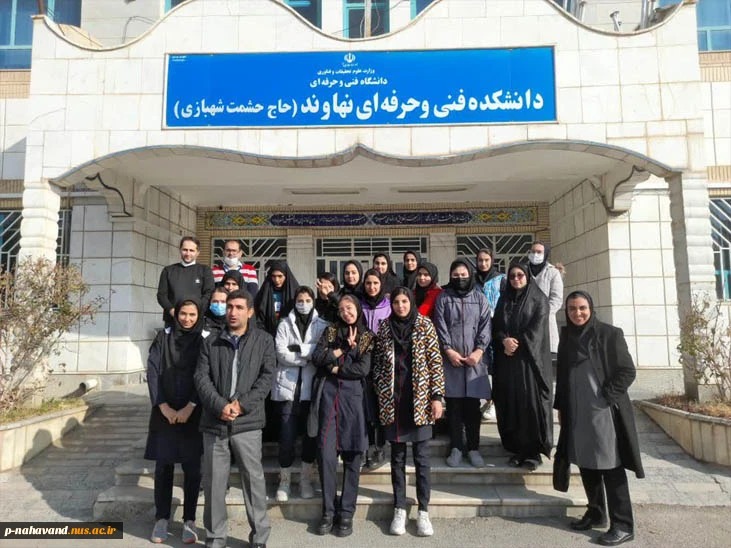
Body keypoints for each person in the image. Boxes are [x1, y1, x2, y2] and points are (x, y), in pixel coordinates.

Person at [554, 291, 644, 547]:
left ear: (591, 308)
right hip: (576, 411)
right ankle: (596, 513)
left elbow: (627, 371)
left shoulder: (609, 334)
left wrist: (605, 396)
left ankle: (623, 525)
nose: (577, 313)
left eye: (582, 308)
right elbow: (562, 375)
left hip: (603, 412)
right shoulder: (567, 336)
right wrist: (561, 406)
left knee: (610, 465)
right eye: (572, 309)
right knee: (586, 462)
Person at [194, 289, 275, 548]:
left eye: (239, 307)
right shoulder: (211, 341)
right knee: (214, 484)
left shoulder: (264, 340)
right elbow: (201, 377)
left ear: (250, 312)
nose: (232, 312)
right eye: (229, 307)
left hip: (247, 423)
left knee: (253, 482)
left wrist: (241, 405)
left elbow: (267, 378)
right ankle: (215, 537)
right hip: (215, 422)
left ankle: (259, 537)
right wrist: (220, 405)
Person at [373, 288, 445, 537]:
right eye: (396, 302)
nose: (401, 306)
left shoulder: (425, 324)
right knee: (397, 459)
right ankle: (400, 509)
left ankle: (423, 511)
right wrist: (381, 387)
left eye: (404, 301)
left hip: (420, 402)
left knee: (422, 460)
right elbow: (378, 363)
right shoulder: (384, 327)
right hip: (394, 402)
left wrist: (437, 397)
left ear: (411, 302)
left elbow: (435, 362)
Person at [311, 295, 374, 537]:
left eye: (350, 308)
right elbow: (318, 358)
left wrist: (336, 367)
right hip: (328, 399)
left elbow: (362, 369)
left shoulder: (367, 336)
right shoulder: (330, 332)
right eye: (342, 309)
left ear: (357, 309)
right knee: (326, 457)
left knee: (352, 457)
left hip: (354, 401)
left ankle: (346, 512)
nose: (346, 312)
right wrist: (342, 349)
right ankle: (328, 511)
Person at [146, 299, 208, 545]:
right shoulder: (163, 338)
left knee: (193, 469)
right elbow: (152, 371)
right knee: (163, 467)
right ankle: (161, 518)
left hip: (192, 414)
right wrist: (163, 406)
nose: (187, 319)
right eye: (183, 313)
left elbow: (204, 374)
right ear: (176, 313)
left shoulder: (203, 340)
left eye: (192, 315)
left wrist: (190, 406)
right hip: (164, 413)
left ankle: (189, 520)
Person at [491, 262, 553, 471]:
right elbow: (496, 326)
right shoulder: (504, 299)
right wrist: (503, 340)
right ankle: (517, 449)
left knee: (529, 406)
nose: (516, 279)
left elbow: (537, 330)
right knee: (511, 404)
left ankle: (532, 453)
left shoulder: (539, 299)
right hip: (508, 363)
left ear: (527, 277)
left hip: (529, 364)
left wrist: (515, 343)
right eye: (512, 276)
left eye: (520, 275)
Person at [272, 286, 329, 502]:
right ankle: (284, 481)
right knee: (286, 438)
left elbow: (321, 352)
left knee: (310, 437)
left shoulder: (322, 325)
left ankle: (305, 480)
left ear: (313, 301)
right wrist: (307, 357)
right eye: (299, 300)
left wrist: (299, 349)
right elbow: (281, 353)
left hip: (310, 390)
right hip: (288, 389)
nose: (303, 304)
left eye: (307, 300)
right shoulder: (284, 324)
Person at [433, 260, 491, 468]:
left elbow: (486, 325)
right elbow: (440, 326)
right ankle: (456, 447)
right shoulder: (444, 298)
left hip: (475, 362)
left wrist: (479, 351)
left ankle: (473, 448)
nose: (460, 278)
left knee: (473, 408)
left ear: (470, 275)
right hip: (451, 362)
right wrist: (448, 350)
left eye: (464, 275)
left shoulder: (480, 298)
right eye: (456, 275)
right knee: (454, 407)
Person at [360, 269, 391, 469]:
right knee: (366, 408)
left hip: (384, 363)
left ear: (381, 285)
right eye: (368, 283)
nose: (372, 287)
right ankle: (368, 447)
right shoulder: (359, 304)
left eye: (375, 283)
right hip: (363, 363)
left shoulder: (389, 306)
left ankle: (381, 447)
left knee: (382, 407)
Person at [475, 248, 505, 421]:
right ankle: (488, 399)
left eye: (486, 260)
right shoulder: (473, 280)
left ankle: (495, 402)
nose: (483, 263)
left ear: (492, 260)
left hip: (496, 329)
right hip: (478, 330)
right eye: (480, 260)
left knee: (496, 367)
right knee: (482, 367)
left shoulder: (501, 279)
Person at [157, 236, 214, 327]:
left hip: (196, 321)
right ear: (180, 250)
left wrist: (196, 312)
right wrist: (172, 310)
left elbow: (209, 293)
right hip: (172, 320)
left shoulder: (205, 271)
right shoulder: (168, 270)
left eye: (191, 250)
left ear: (198, 252)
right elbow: (161, 295)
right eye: (185, 250)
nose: (188, 253)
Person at [527, 241, 564, 359]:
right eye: (533, 251)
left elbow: (556, 299)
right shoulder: (523, 270)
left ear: (546, 253)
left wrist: (542, 313)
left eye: (539, 252)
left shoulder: (553, 272)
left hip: (546, 321)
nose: (535, 254)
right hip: (525, 320)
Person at [254, 260, 300, 338]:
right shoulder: (265, 292)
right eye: (273, 276)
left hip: (289, 334)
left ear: (286, 276)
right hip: (267, 333)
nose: (276, 280)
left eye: (280, 276)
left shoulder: (294, 292)